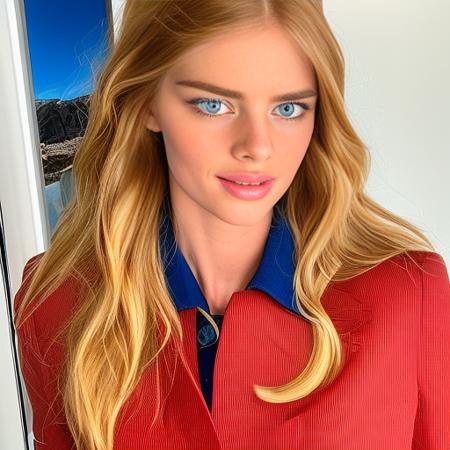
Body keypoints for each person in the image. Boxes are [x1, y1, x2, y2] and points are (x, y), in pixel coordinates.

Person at [14, 1, 449, 449]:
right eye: (213, 103)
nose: (257, 147)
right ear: (147, 102)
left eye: (289, 109)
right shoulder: (55, 304)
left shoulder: (409, 294)